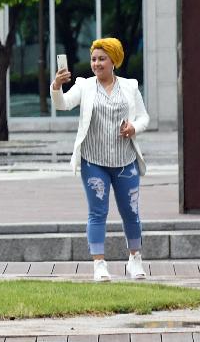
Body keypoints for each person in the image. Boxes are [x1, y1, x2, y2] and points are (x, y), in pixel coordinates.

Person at [51, 37, 149, 282]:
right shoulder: (85, 86)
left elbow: (145, 117)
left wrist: (134, 127)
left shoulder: (129, 87)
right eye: (94, 59)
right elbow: (63, 104)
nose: (96, 63)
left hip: (125, 161)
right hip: (93, 161)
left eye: (101, 59)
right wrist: (56, 86)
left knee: (131, 212)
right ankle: (99, 264)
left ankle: (135, 259)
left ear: (113, 60)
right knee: (98, 212)